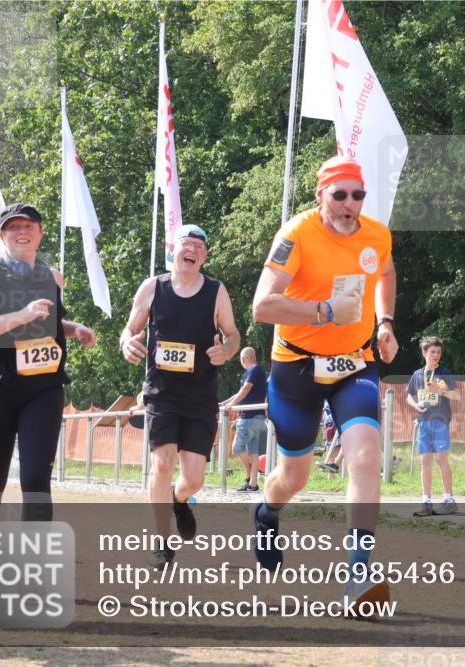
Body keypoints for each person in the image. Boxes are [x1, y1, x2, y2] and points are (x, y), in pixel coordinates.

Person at [251, 155, 398, 610]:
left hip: (355, 363)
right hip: (296, 367)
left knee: (365, 457)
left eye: (358, 195)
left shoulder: (377, 235)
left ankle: (358, 576)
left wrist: (385, 323)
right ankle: (267, 512)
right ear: (321, 196)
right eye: (340, 195)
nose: (349, 203)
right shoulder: (296, 235)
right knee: (293, 477)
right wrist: (325, 311)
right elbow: (262, 306)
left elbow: (386, 272)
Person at [0, 203, 96, 522]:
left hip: (43, 388)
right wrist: (22, 314)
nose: (21, 232)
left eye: (28, 226)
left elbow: (45, 323)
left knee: (36, 480)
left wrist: (73, 328)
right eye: (13, 227)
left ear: (40, 233)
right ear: (2, 235)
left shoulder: (53, 277)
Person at [120, 224, 240, 569]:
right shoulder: (152, 288)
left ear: (205, 256)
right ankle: (161, 543)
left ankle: (178, 498)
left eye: (199, 248)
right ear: (173, 249)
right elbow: (130, 329)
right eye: (187, 244)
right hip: (162, 393)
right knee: (162, 463)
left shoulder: (216, 291)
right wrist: (126, 342)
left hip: (200, 395)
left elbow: (232, 335)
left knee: (194, 478)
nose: (193, 251)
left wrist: (226, 351)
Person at [406, 336, 461, 516]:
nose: (436, 355)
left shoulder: (444, 373)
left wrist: (442, 391)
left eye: (438, 352)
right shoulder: (417, 374)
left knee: (441, 460)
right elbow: (409, 395)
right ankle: (426, 502)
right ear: (424, 353)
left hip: (440, 421)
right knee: (425, 461)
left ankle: (449, 500)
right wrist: (416, 405)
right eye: (432, 352)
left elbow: (457, 396)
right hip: (423, 421)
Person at [221, 347, 268, 492]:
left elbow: (246, 388)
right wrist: (224, 403)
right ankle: (253, 484)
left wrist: (231, 405)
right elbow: (240, 392)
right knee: (253, 452)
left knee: (237, 448)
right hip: (257, 417)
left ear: (243, 359)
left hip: (249, 417)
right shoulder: (257, 370)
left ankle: (249, 476)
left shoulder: (253, 370)